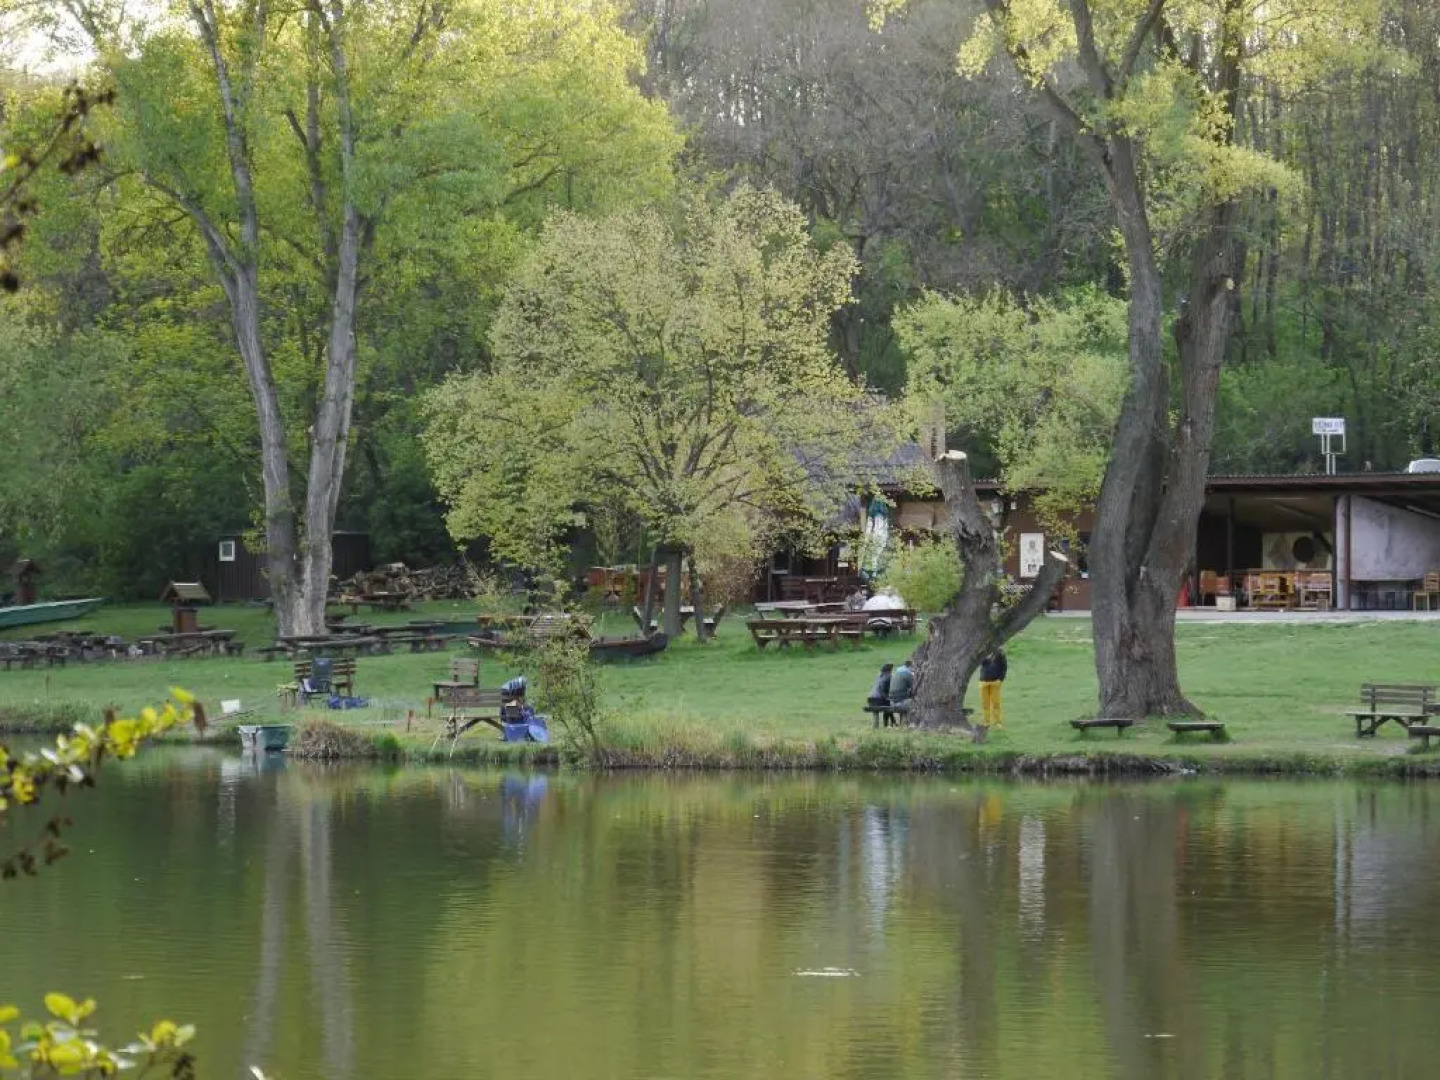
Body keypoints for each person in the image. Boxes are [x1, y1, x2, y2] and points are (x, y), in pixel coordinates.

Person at [978, 648, 1008, 729]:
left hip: (995, 682)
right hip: (983, 682)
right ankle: (986, 722)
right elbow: (980, 662)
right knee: (985, 704)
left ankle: (997, 722)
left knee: (996, 703)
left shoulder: (1000, 653)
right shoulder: (983, 651)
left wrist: (1000, 679)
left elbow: (1004, 668)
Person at [887, 657, 915, 724]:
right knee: (914, 702)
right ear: (910, 666)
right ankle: (908, 723)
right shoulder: (907, 674)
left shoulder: (896, 673)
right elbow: (914, 687)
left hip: (891, 700)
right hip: (900, 701)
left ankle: (903, 722)